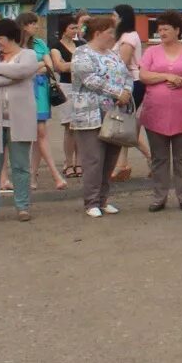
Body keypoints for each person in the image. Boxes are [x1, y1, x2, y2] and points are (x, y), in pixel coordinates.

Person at [138, 11, 182, 213]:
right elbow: (143, 76)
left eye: (166, 28)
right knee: (159, 158)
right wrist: (166, 76)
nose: (162, 32)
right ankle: (159, 197)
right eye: (159, 29)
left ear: (178, 30)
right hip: (155, 113)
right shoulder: (151, 52)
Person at [0, 18, 41, 222]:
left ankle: (22, 206)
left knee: (20, 165)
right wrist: (10, 79)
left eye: (0, 38)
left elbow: (24, 70)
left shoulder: (27, 54)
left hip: (19, 119)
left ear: (11, 37)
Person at [67, 15, 131, 217]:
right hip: (89, 115)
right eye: (110, 32)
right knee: (93, 159)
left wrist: (127, 91)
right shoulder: (81, 53)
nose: (113, 36)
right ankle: (91, 201)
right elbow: (89, 79)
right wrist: (117, 92)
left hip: (114, 113)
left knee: (110, 157)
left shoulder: (114, 54)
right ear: (97, 33)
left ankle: (103, 200)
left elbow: (126, 74)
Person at [19, 13, 67, 194]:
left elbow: (49, 66)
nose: (36, 27)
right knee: (29, 135)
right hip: (22, 91)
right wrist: (35, 67)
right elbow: (20, 69)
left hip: (40, 90)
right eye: (32, 24)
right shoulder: (16, 44)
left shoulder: (39, 43)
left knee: (40, 131)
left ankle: (37, 174)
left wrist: (35, 67)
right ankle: (36, 174)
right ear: (23, 25)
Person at [112, 5, 152, 180]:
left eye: (114, 15)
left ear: (122, 17)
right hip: (128, 83)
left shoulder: (128, 37)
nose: (112, 18)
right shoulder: (123, 36)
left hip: (131, 83)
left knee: (125, 125)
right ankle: (123, 164)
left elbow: (122, 62)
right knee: (126, 125)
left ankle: (150, 159)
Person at [47, 15, 83, 182]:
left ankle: (80, 162)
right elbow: (59, 67)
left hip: (82, 87)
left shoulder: (81, 45)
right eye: (72, 28)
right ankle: (69, 163)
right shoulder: (56, 47)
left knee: (81, 126)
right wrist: (79, 64)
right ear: (64, 30)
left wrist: (70, 64)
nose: (75, 31)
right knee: (70, 126)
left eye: (76, 28)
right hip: (67, 87)